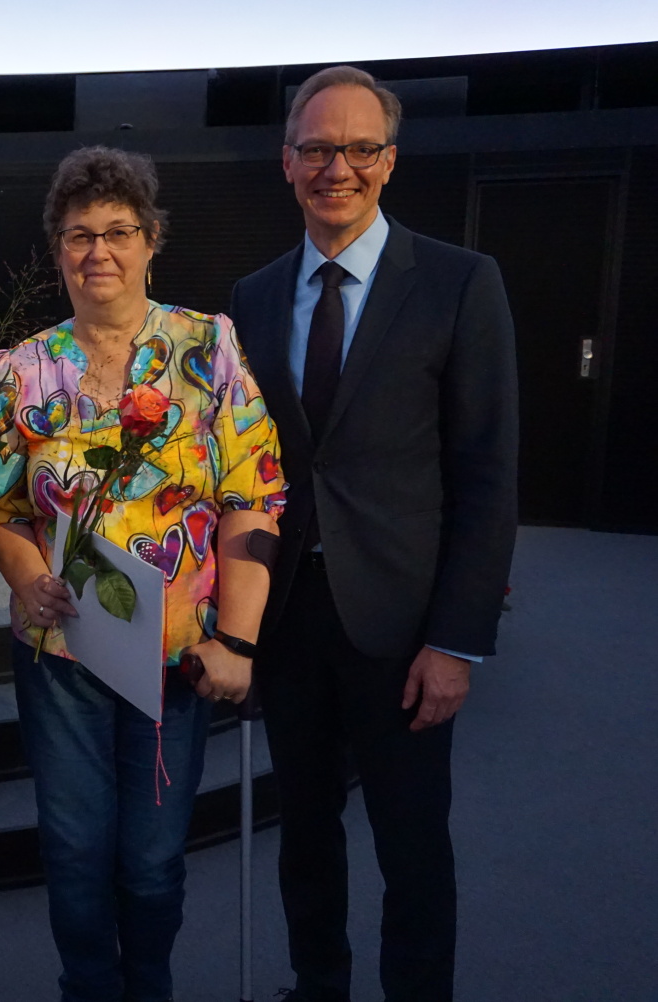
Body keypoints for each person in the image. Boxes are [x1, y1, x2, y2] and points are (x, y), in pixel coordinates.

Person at [228, 66, 517, 1002]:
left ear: (388, 162)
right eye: (316, 149)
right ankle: (319, 987)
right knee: (303, 835)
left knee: (410, 845)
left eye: (357, 149)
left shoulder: (461, 284)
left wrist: (457, 640)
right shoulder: (255, 296)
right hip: (288, 619)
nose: (335, 167)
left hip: (401, 625)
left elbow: (486, 474)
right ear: (287, 163)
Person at [0, 146, 286, 1002]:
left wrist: (239, 639)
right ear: (57, 250)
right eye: (79, 235)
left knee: (150, 865)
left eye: (119, 232)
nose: (98, 251)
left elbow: (252, 498)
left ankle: (148, 987)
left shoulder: (208, 347)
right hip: (63, 653)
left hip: (177, 658)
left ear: (152, 242)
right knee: (74, 856)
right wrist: (25, 574)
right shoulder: (18, 371)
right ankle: (89, 990)